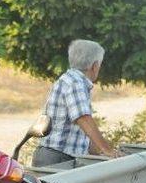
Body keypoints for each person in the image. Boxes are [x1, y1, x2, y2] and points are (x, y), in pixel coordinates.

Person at [32, 39, 118, 167]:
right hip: (57, 158)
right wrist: (108, 150)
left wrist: (100, 153)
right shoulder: (75, 83)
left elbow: (81, 132)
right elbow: (83, 119)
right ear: (95, 66)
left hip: (57, 156)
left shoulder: (72, 80)